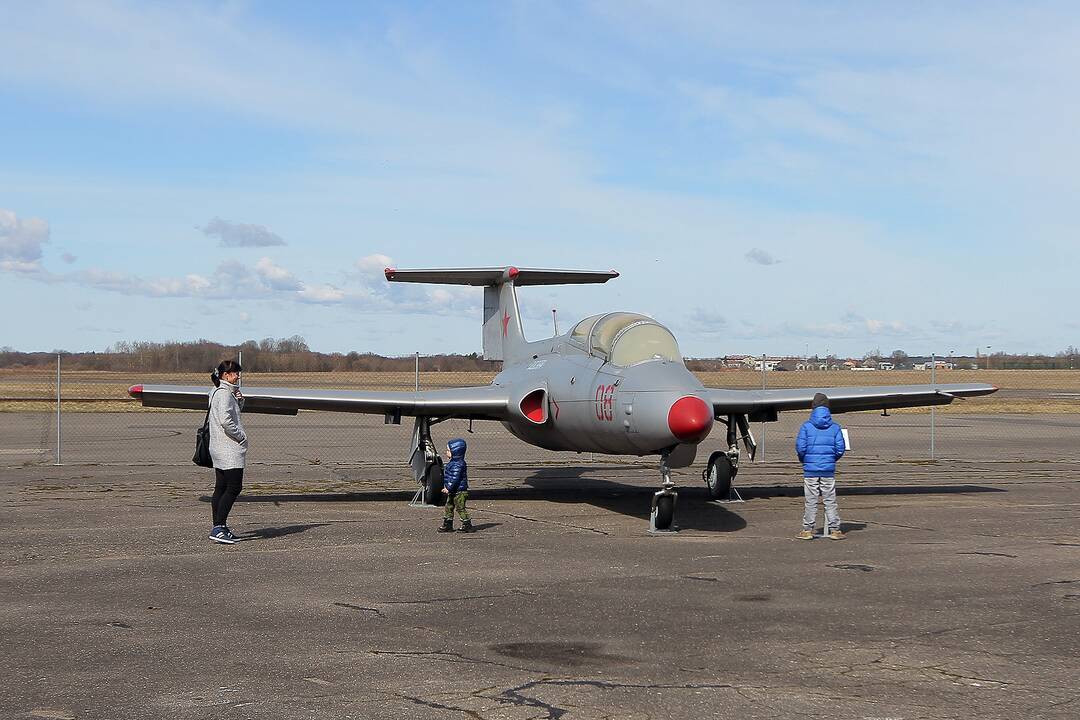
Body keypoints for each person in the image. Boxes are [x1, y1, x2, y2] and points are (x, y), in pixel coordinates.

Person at [795, 393, 846, 540]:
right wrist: (831, 460)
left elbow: (800, 447)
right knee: (830, 499)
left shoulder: (806, 427)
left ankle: (807, 530)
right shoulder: (835, 427)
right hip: (828, 470)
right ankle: (835, 530)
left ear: (813, 408)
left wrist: (804, 460)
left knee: (810, 500)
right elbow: (839, 449)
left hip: (810, 470)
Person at [208, 360, 247, 544]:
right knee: (234, 487)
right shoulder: (224, 394)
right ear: (225, 375)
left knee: (221, 487)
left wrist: (239, 400)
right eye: (234, 373)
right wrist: (240, 436)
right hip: (228, 448)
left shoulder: (216, 392)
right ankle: (219, 527)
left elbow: (231, 413)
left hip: (217, 447)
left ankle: (219, 527)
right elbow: (226, 420)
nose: (237, 376)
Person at [438, 438, 474, 533]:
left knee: (460, 507)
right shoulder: (454, 463)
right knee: (449, 506)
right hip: (454, 491)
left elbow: (455, 478)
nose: (446, 452)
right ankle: (448, 523)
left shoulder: (457, 465)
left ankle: (467, 524)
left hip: (459, 491)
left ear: (455, 452)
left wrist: (448, 487)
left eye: (448, 450)